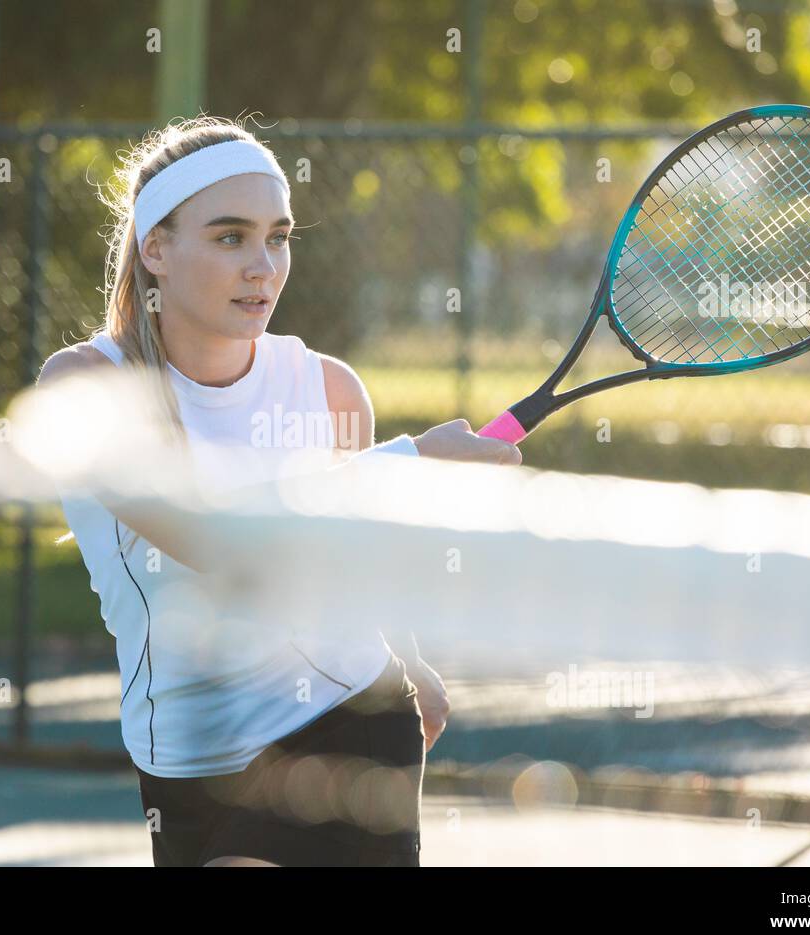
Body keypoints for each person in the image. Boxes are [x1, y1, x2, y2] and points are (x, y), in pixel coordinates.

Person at [38, 115, 521, 866]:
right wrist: (412, 460)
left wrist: (411, 658)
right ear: (155, 247)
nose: (263, 265)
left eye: (278, 236)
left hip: (350, 716)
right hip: (183, 764)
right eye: (230, 237)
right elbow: (209, 532)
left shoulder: (327, 386)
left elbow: (355, 551)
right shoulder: (85, 386)